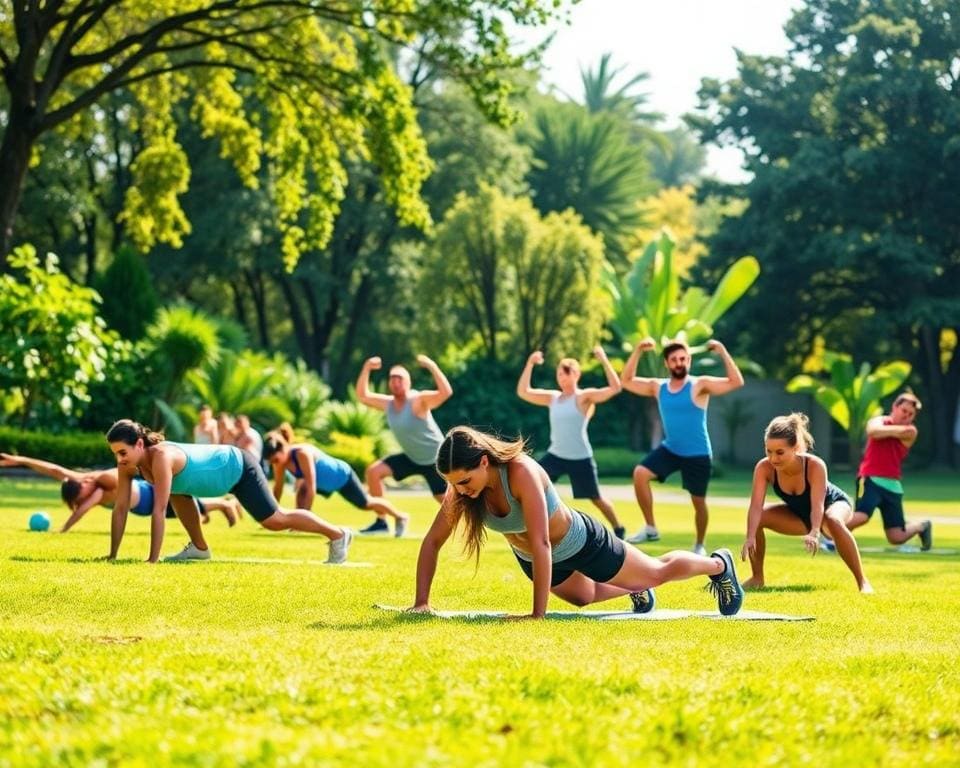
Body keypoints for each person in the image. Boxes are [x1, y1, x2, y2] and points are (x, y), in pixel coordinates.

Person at [409, 426, 744, 619]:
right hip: (533, 559)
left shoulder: (521, 472)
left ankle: (717, 565)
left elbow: (541, 541)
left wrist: (536, 615)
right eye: (454, 484)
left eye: (465, 481)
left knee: (656, 572)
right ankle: (635, 589)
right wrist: (421, 602)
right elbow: (433, 541)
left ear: (484, 462)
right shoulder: (463, 490)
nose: (461, 491)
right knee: (585, 598)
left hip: (580, 542)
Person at [104, 419, 353, 564]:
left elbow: (158, 511)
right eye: (115, 453)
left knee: (275, 519)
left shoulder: (161, 457)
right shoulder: (129, 464)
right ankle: (200, 548)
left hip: (237, 467)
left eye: (122, 452)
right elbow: (121, 508)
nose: (119, 459)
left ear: (139, 444)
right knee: (178, 494)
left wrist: (152, 561)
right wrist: (112, 555)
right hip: (214, 479)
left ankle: (338, 535)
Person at [620, 338, 744, 554]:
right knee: (640, 473)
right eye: (675, 359)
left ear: (689, 360)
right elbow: (627, 381)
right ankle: (650, 528)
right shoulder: (658, 387)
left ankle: (699, 544)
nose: (680, 363)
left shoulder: (699, 385)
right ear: (667, 363)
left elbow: (736, 382)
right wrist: (638, 350)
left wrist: (723, 351)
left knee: (698, 502)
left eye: (683, 359)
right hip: (671, 449)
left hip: (698, 453)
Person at [740, 413, 873, 593]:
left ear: (795, 448)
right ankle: (757, 578)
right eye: (768, 451)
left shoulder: (814, 465)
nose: (773, 458)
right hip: (799, 514)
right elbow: (755, 506)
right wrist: (749, 537)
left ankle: (862, 582)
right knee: (759, 517)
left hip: (832, 505)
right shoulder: (764, 468)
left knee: (833, 520)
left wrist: (816, 531)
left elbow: (818, 504)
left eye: (780, 452)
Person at [516, 346, 627, 539]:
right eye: (559, 373)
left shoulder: (583, 397)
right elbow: (523, 392)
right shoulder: (553, 398)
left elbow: (616, 388)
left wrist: (603, 359)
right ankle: (527, 526)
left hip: (580, 457)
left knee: (596, 498)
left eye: (566, 373)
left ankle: (618, 528)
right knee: (531, 483)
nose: (562, 377)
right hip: (556, 455)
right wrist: (530, 363)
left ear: (576, 375)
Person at [0, 452, 240, 530]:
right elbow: (53, 469)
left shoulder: (101, 483)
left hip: (148, 496)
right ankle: (225, 504)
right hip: (143, 505)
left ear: (83, 489)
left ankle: (226, 504)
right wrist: (17, 459)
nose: (79, 500)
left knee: (187, 510)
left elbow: (83, 508)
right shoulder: (84, 480)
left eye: (78, 496)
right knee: (184, 513)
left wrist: (63, 530)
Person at [356, 354, 451, 535]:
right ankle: (381, 523)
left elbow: (446, 392)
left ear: (408, 382)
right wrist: (367, 368)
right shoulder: (388, 404)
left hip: (436, 459)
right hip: (411, 457)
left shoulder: (418, 400)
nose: (395, 382)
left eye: (400, 378)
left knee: (446, 502)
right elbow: (362, 396)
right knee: (373, 472)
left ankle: (478, 520)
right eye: (392, 378)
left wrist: (432, 365)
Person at [263, 423, 411, 536]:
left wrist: (303, 519)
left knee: (365, 503)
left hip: (341, 477)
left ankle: (400, 516)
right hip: (325, 484)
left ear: (283, 449)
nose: (275, 464)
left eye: (276, 459)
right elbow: (278, 488)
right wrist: (271, 514)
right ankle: (297, 524)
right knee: (301, 491)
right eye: (272, 462)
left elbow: (311, 485)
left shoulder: (302, 453)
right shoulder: (280, 462)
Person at [847, 391, 932, 549]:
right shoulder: (879, 421)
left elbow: (878, 432)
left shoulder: (911, 431)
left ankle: (922, 526)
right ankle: (831, 536)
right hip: (870, 479)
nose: (906, 416)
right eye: (904, 410)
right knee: (862, 516)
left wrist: (888, 429)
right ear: (894, 407)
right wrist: (896, 430)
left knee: (896, 537)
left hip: (893, 486)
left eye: (910, 414)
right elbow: (873, 432)